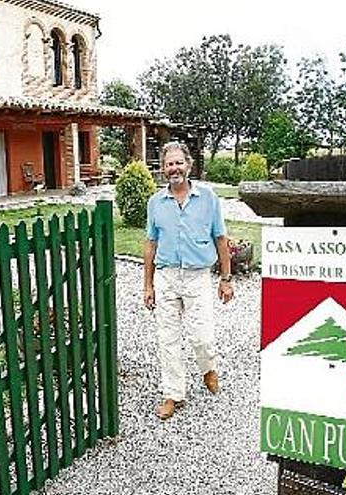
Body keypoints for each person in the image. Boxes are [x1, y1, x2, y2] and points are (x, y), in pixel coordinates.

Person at [143, 141, 233, 420]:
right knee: (167, 339)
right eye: (169, 164)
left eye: (178, 163)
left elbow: (220, 238)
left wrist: (226, 278)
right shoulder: (155, 203)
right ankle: (173, 394)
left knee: (201, 336)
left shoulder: (208, 198)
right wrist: (148, 284)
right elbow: (150, 243)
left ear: (189, 165)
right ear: (163, 169)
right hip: (167, 276)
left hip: (197, 276)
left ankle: (208, 368)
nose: (174, 169)